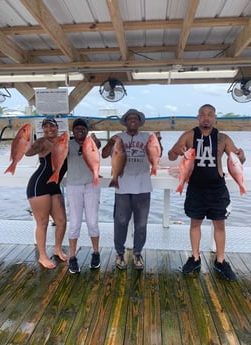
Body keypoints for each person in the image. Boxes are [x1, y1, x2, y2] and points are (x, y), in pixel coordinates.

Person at [168, 104, 246, 281]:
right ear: (198, 117)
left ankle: (220, 260)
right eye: (202, 115)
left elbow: (238, 158)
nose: (206, 118)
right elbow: (172, 155)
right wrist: (176, 151)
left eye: (210, 115)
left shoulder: (223, 138)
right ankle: (195, 258)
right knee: (195, 224)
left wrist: (241, 156)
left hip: (217, 188)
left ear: (215, 117)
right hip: (195, 186)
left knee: (220, 225)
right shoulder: (189, 135)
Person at [102, 108, 161, 270]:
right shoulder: (119, 137)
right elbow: (104, 154)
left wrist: (158, 141)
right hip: (122, 186)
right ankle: (119, 252)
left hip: (143, 186)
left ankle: (137, 253)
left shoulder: (148, 137)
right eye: (129, 119)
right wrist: (110, 142)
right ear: (126, 122)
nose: (133, 120)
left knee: (141, 224)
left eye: (136, 118)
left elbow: (156, 153)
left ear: (139, 122)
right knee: (120, 221)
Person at [25, 118, 67, 269]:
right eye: (45, 127)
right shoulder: (42, 142)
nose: (49, 129)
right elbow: (28, 153)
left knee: (61, 221)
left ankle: (57, 249)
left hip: (54, 187)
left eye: (52, 126)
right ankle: (42, 256)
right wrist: (27, 141)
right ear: (42, 129)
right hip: (39, 186)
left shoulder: (64, 141)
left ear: (57, 127)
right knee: (42, 222)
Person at [66, 118, 101, 274]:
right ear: (73, 131)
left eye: (83, 128)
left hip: (91, 185)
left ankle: (96, 252)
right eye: (77, 128)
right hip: (73, 185)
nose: (80, 130)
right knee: (74, 223)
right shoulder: (67, 144)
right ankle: (72, 257)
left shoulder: (91, 142)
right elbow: (57, 153)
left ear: (87, 130)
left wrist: (95, 141)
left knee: (92, 221)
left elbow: (98, 146)